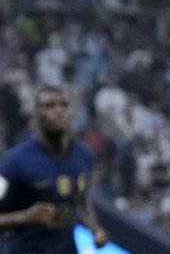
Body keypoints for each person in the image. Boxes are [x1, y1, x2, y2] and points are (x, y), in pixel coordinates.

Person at [0, 86, 108, 254]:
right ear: (36, 114)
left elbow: (81, 200)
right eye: (50, 105)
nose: (58, 111)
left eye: (64, 105)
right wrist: (24, 217)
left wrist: (95, 229)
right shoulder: (14, 162)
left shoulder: (84, 156)